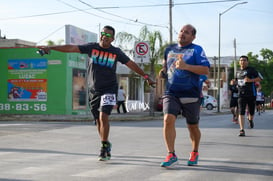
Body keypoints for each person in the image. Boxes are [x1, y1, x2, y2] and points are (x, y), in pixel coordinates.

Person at [37, 25, 155, 161]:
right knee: (98, 120)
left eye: (109, 35)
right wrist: (50, 48)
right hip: (94, 90)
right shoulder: (92, 48)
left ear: (113, 39)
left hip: (110, 88)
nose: (105, 36)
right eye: (103, 34)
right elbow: (71, 48)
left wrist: (146, 77)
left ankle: (104, 147)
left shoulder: (116, 52)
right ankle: (105, 143)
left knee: (104, 115)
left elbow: (131, 64)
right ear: (101, 35)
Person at [159, 24, 210, 167]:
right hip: (171, 92)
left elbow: (205, 69)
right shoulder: (169, 49)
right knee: (168, 119)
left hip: (191, 93)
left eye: (187, 32)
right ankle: (171, 154)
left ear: (193, 37)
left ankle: (194, 151)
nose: (182, 34)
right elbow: (166, 67)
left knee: (192, 126)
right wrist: (163, 72)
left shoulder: (196, 50)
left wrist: (186, 66)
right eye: (181, 31)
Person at [236, 55, 263, 136]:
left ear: (247, 62)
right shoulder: (237, 72)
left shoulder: (252, 70)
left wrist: (250, 80)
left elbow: (261, 78)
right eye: (241, 60)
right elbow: (238, 81)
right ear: (239, 62)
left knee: (251, 111)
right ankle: (241, 130)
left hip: (251, 94)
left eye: (244, 60)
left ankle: (250, 120)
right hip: (241, 94)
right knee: (241, 111)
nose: (242, 62)